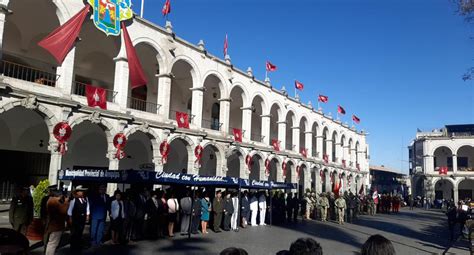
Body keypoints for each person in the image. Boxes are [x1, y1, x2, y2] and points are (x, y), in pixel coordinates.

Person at [44, 189, 69, 255]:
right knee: (53, 244)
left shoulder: (50, 200)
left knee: (51, 243)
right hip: (57, 226)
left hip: (51, 224)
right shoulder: (57, 201)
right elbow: (64, 212)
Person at [67, 185, 89, 253]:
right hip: (75, 220)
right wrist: (70, 219)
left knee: (80, 233)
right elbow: (70, 211)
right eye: (81, 191)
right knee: (74, 234)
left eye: (83, 191)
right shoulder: (74, 200)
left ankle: (78, 247)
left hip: (82, 219)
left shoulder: (86, 199)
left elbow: (87, 208)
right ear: (77, 192)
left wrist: (87, 215)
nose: (82, 192)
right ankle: (73, 248)